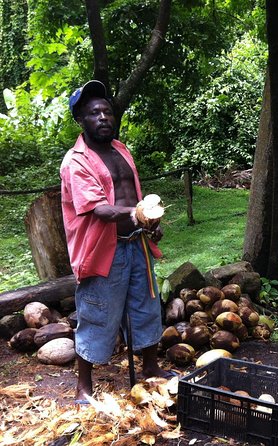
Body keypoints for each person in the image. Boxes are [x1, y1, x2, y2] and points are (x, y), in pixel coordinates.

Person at [60, 80, 172, 403]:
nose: (103, 117)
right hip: (103, 252)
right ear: (81, 118)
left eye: (107, 111)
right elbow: (100, 209)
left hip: (136, 244)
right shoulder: (76, 161)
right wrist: (139, 214)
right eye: (94, 112)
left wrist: (149, 225)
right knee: (97, 313)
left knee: (146, 306)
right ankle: (84, 386)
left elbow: (133, 196)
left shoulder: (121, 150)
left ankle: (151, 370)